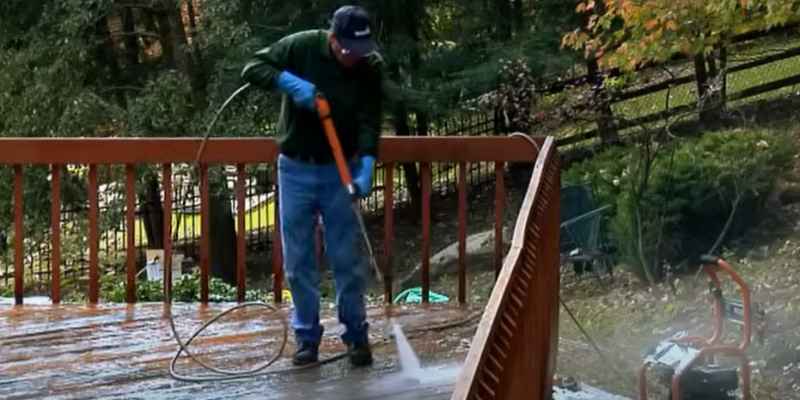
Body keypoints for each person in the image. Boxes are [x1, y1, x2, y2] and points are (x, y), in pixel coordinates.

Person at [240, 5, 383, 367]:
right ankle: (307, 338)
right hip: (296, 169)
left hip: (341, 170)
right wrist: (289, 82)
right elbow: (253, 67)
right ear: (334, 40)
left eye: (361, 51)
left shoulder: (370, 66)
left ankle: (356, 336)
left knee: (346, 258)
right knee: (298, 259)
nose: (355, 57)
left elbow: (369, 118)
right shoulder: (301, 47)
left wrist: (366, 164)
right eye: (349, 49)